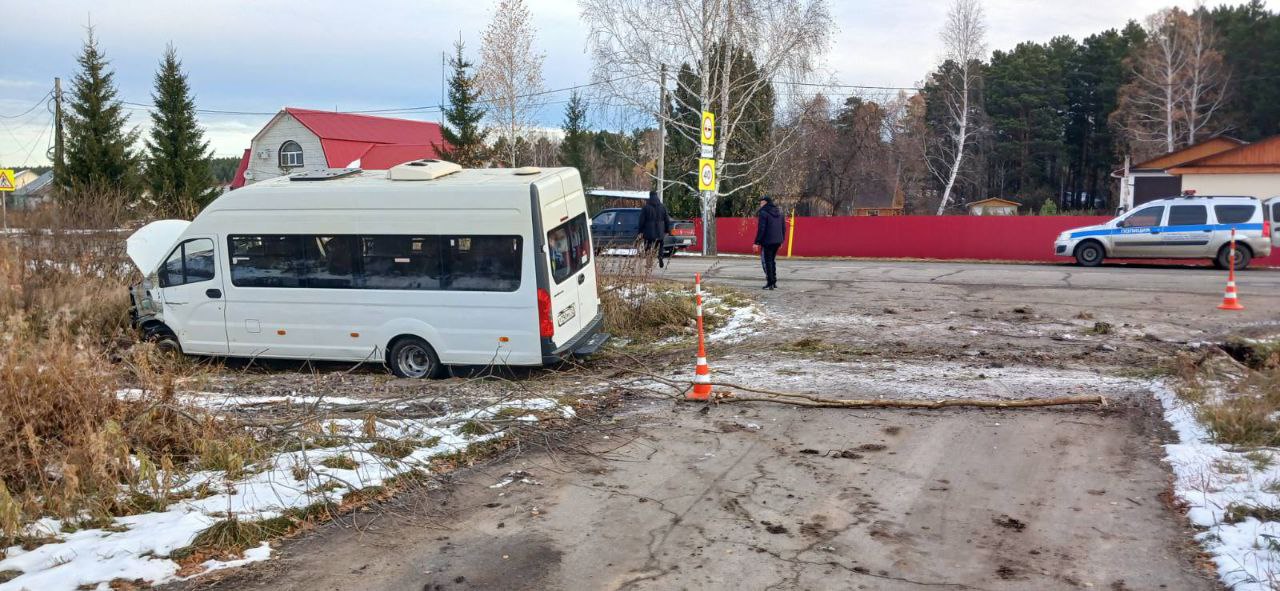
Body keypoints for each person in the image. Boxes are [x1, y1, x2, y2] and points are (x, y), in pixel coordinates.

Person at [752, 196, 785, 289]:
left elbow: (761, 228)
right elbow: (783, 227)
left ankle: (770, 282)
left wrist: (757, 242)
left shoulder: (763, 212)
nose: (760, 204)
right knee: (772, 261)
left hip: (767, 241)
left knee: (767, 261)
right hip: (777, 241)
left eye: (761, 202)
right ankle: (773, 281)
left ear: (765, 202)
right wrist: (782, 240)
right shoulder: (779, 211)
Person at [637, 190, 672, 268]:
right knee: (660, 245)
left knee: (648, 246)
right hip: (660, 231)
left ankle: (649, 262)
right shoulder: (662, 207)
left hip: (648, 232)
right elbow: (667, 219)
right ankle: (660, 256)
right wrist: (668, 230)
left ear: (650, 197)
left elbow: (641, 220)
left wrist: (640, 231)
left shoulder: (646, 207)